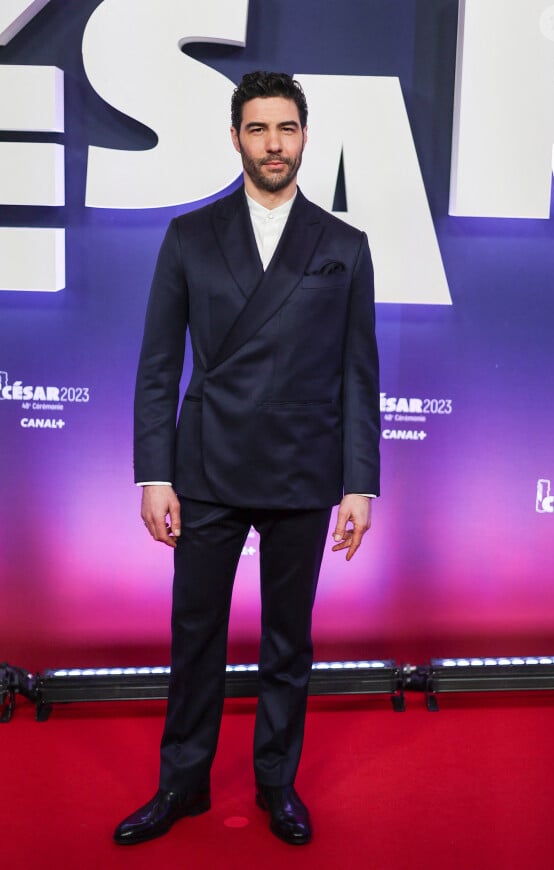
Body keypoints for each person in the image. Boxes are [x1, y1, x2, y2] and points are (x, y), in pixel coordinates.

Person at [114, 70, 380, 847]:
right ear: (236, 137)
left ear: (304, 136)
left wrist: (360, 483)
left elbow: (360, 375)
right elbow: (158, 366)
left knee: (288, 642)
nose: (274, 144)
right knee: (194, 634)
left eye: (287, 129)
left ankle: (277, 784)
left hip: (304, 468)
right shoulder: (189, 237)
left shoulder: (344, 246)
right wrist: (153, 473)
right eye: (259, 129)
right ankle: (181, 785)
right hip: (205, 468)